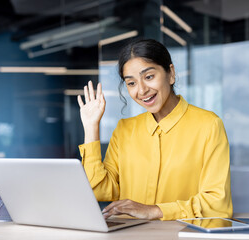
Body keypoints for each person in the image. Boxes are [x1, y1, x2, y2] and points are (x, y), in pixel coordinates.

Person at [77, 39, 233, 221]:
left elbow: (217, 204)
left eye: (149, 77)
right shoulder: (124, 130)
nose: (141, 90)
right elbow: (99, 191)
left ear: (171, 74)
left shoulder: (208, 125)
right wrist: (91, 127)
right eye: (131, 83)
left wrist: (154, 211)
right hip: (132, 236)